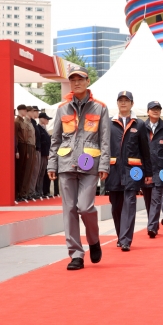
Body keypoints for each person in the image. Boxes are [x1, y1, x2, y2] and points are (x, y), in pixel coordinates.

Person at [48, 66, 110, 270]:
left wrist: (104, 166)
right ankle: (76, 254)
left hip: (90, 165)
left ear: (87, 81)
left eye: (80, 79)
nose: (76, 83)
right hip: (66, 164)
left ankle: (93, 240)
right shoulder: (62, 108)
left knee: (85, 207)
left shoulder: (100, 107)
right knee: (69, 210)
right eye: (73, 79)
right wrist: (52, 164)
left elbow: (105, 140)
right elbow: (55, 140)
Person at [105, 91, 153, 251]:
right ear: (117, 103)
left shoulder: (139, 124)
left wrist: (148, 173)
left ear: (132, 104)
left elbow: (145, 150)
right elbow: (103, 147)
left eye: (127, 100)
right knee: (116, 205)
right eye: (121, 100)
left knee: (130, 203)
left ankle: (126, 239)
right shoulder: (108, 123)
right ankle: (120, 236)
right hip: (113, 170)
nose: (123, 103)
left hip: (133, 171)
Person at [142, 101, 163, 238]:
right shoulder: (141, 128)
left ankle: (151, 228)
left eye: (158, 109)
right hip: (145, 170)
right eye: (153, 109)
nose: (155, 111)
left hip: (160, 170)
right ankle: (154, 223)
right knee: (148, 199)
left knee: (156, 198)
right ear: (148, 111)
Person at [21, 106, 36, 200]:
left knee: (30, 171)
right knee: (26, 171)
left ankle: (26, 192)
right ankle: (22, 193)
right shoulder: (25, 122)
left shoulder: (30, 122)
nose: (33, 113)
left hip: (32, 147)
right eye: (32, 111)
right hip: (28, 146)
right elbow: (25, 137)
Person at [36, 112, 52, 198]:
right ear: (41, 118)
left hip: (46, 154)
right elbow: (43, 143)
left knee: (43, 173)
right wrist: (46, 153)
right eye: (46, 119)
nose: (47, 121)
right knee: (39, 173)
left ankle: (42, 191)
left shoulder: (45, 129)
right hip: (42, 153)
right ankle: (39, 191)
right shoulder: (39, 128)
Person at [15, 104, 28, 201]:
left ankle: (20, 193)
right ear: (20, 110)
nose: (26, 112)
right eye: (25, 110)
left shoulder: (23, 122)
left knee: (23, 171)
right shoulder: (16, 122)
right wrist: (16, 150)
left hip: (25, 145)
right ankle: (16, 193)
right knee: (18, 171)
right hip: (20, 145)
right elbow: (15, 137)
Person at [28, 106, 42, 200]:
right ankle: (30, 191)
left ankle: (33, 190)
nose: (36, 113)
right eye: (35, 111)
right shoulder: (30, 123)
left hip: (37, 149)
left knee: (36, 172)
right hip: (33, 148)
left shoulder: (34, 123)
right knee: (32, 172)